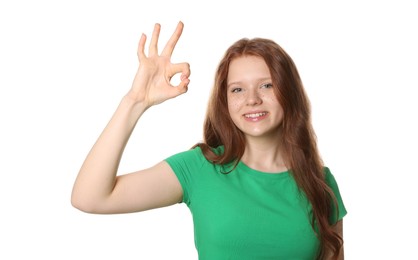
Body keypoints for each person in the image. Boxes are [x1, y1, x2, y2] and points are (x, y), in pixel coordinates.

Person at [71, 21, 347, 260]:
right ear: (225, 102)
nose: (252, 99)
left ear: (289, 92)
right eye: (237, 89)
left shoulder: (320, 183)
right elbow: (90, 197)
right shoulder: (201, 169)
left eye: (267, 85)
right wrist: (135, 101)